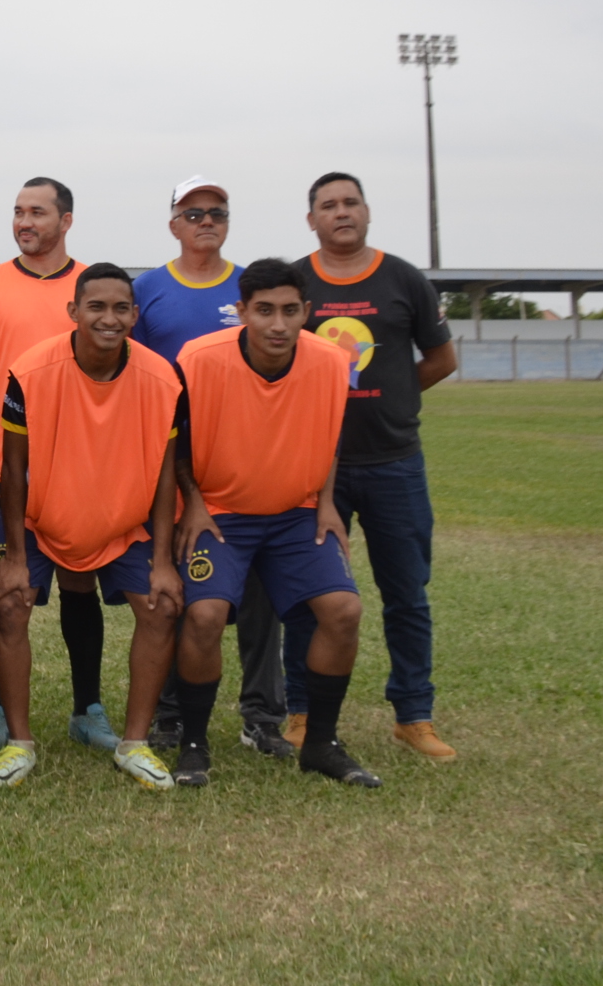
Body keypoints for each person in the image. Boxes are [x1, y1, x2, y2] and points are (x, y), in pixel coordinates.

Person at [171, 258, 382, 789]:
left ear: (307, 312)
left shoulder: (333, 362)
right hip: (220, 512)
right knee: (204, 616)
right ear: (240, 312)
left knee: (344, 611)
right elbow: (172, 440)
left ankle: (321, 742)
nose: (278, 324)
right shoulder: (198, 360)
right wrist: (192, 502)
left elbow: (329, 433)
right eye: (264, 311)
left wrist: (327, 501)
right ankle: (193, 743)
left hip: (295, 516)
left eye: (290, 311)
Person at [0, 264, 185, 790]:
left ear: (135, 314)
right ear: (73, 312)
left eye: (121, 307)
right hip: (43, 517)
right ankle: (19, 742)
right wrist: (11, 552)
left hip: (121, 522)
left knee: (163, 604)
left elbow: (167, 476)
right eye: (96, 306)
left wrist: (164, 560)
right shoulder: (30, 370)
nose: (109, 317)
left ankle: (135, 743)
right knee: (9, 603)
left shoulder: (163, 378)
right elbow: (12, 468)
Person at [289, 173, 459, 762]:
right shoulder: (297, 282)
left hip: (393, 463)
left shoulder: (403, 278)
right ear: (311, 219)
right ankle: (302, 711)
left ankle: (414, 715)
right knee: (312, 593)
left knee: (406, 592)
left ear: (367, 212)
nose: (341, 213)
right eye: (327, 206)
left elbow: (441, 359)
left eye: (350, 203)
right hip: (312, 467)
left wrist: (395, 396)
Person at [130, 176, 292, 762]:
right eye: (193, 212)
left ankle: (261, 716)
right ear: (173, 222)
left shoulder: (252, 289)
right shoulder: (146, 289)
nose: (206, 221)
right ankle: (172, 713)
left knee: (259, 597)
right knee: (178, 589)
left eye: (216, 212)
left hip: (250, 458)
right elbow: (137, 377)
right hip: (176, 457)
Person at [0, 176, 88, 753]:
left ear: (66, 220)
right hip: (0, 469)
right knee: (1, 592)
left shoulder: (92, 287)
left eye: (37, 212)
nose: (25, 222)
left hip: (78, 468)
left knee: (81, 586)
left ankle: (90, 708)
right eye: (17, 212)